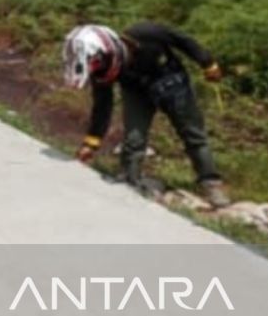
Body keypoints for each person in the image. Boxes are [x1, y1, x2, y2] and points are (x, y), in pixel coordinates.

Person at [63, 22, 230, 208]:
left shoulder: (146, 33)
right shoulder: (101, 70)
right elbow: (103, 106)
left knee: (193, 135)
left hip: (172, 83)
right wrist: (91, 143)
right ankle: (130, 179)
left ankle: (211, 183)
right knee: (134, 138)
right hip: (137, 92)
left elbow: (182, 40)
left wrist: (207, 63)